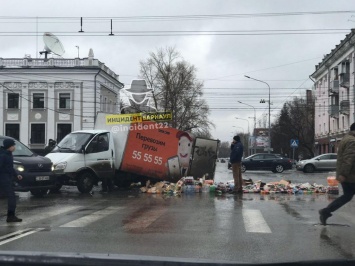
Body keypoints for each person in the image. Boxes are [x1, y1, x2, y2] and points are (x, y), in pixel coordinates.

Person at [319, 122, 355, 225]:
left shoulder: (346, 139)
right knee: (347, 196)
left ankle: (326, 211)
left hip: (347, 174)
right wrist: (344, 174)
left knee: (347, 196)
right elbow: (349, 158)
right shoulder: (352, 141)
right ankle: (325, 211)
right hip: (350, 175)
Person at [0, 139, 23, 222]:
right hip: (4, 179)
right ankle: (10, 216)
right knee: (11, 197)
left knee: (11, 197)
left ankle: (11, 216)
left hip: (7, 178)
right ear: (9, 146)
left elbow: (10, 167)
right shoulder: (3, 155)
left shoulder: (9, 154)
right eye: (13, 146)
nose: (14, 147)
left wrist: (17, 174)